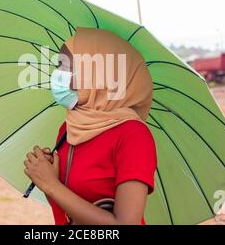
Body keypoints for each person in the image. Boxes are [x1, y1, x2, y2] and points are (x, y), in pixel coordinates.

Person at [23, 27, 157, 225]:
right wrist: (49, 171)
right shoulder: (69, 128)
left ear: (97, 73)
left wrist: (51, 185)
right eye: (58, 66)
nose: (57, 75)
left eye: (66, 67)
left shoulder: (133, 135)